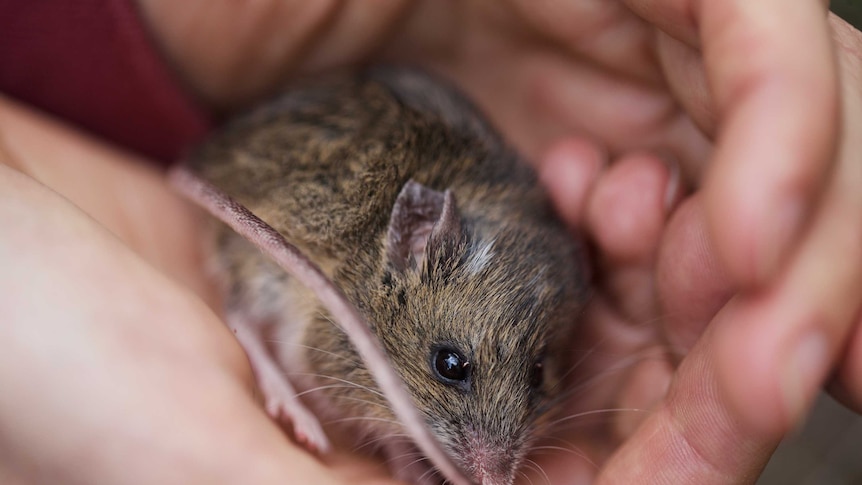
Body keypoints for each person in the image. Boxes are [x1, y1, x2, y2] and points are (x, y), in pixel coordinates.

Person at [1, 1, 860, 483]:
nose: (500, 454)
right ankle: (251, 337)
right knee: (285, 305)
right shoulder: (382, 285)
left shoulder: (529, 278)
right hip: (261, 177)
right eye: (453, 366)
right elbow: (350, 365)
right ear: (412, 245)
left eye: (528, 382)